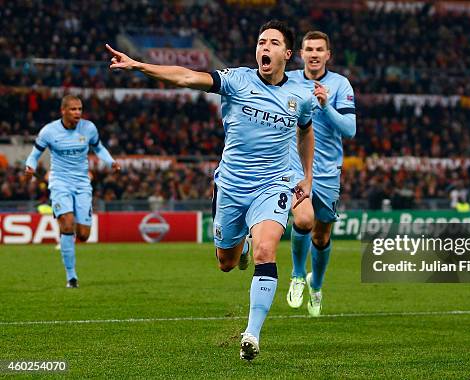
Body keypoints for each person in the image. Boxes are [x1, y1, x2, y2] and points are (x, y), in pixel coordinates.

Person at [106, 20, 315, 361]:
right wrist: (139, 65)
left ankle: (252, 334)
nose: (264, 47)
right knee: (226, 263)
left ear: (287, 54)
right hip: (231, 185)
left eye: (273, 43)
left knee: (266, 251)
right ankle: (240, 245)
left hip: (273, 184)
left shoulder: (301, 96)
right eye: (261, 42)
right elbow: (187, 77)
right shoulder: (236, 80)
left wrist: (305, 177)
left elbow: (306, 133)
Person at [285, 31, 356, 317]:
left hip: (328, 172)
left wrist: (326, 105)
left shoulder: (340, 84)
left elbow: (350, 130)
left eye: (319, 49)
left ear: (328, 55)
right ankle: (298, 275)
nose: (314, 54)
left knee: (322, 236)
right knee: (303, 219)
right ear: (300, 53)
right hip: (295, 168)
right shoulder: (288, 81)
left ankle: (317, 285)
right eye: (309, 49)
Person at [25, 95, 120, 288]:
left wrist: (110, 162)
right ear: (63, 111)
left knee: (83, 234)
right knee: (67, 224)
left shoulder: (89, 128)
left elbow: (99, 148)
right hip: (59, 182)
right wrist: (30, 166)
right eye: (73, 109)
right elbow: (34, 155)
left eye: (80, 109)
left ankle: (66, 234)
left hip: (83, 183)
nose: (78, 112)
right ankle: (71, 277)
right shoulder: (49, 131)